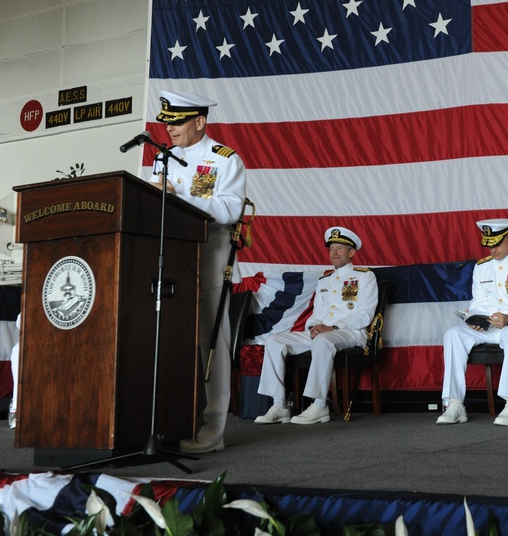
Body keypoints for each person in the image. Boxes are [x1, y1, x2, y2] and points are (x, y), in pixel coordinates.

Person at [150, 90, 247, 454]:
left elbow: (229, 210)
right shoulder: (164, 158)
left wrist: (179, 197)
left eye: (176, 122)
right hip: (170, 263)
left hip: (208, 265)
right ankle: (173, 423)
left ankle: (213, 431)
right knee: (172, 346)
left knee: (212, 349)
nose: (170, 129)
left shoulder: (224, 160)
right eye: (167, 122)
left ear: (199, 122)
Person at [255, 227, 378, 425]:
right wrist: (313, 326)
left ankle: (319, 405)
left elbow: (365, 314)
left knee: (322, 340)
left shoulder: (364, 277)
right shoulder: (324, 280)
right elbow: (316, 313)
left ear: (352, 252)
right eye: (331, 249)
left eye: (339, 248)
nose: (334, 253)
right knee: (274, 340)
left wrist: (333, 328)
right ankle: (279, 405)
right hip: (322, 332)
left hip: (350, 332)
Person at [437, 219, 508, 427]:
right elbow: (478, 303)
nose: (492, 249)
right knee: (454, 334)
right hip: (491, 327)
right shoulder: (482, 267)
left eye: (496, 243)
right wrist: (475, 319)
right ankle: (455, 403)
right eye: (488, 244)